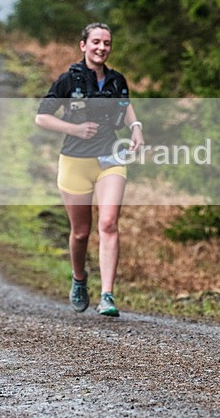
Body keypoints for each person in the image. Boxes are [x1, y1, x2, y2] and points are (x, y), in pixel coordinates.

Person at [35, 23, 144, 317]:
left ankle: (107, 295)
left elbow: (125, 104)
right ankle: (79, 279)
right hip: (75, 161)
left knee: (108, 223)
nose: (102, 48)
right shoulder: (67, 81)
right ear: (83, 45)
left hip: (110, 157)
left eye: (107, 43)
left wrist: (136, 128)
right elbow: (42, 118)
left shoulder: (117, 80)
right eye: (96, 42)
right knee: (81, 232)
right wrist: (75, 128)